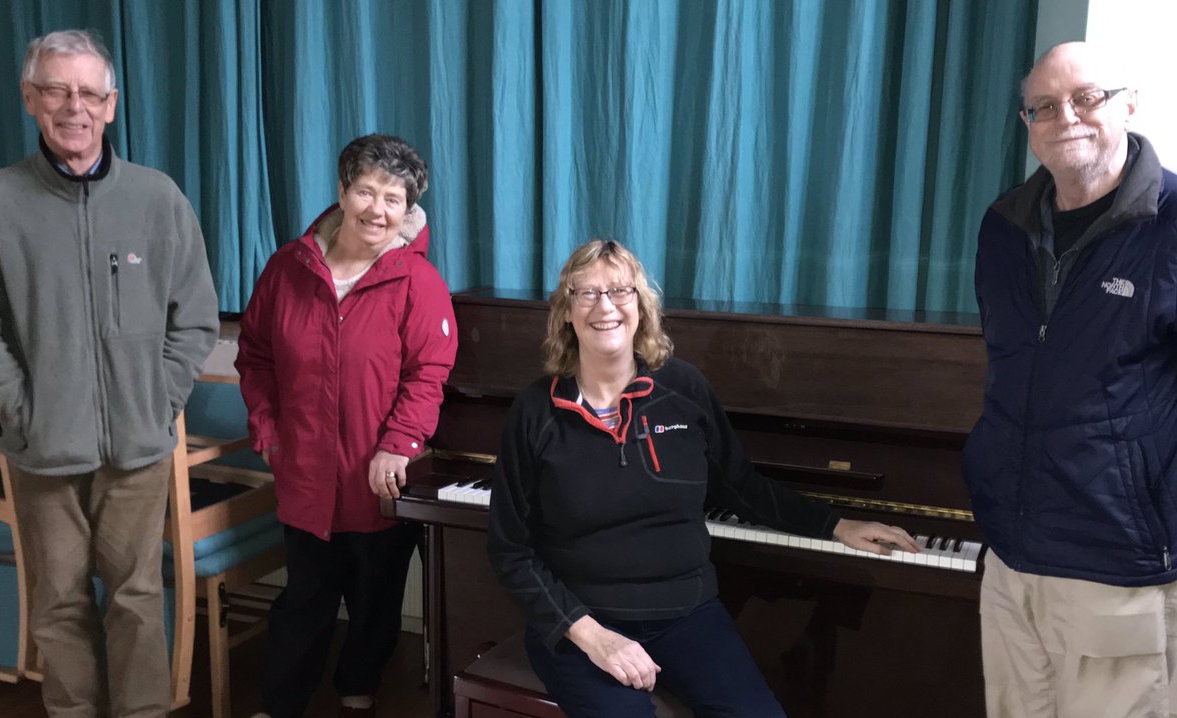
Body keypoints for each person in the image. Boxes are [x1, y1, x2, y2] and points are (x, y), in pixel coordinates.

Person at [486, 239, 919, 717]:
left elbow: (741, 486)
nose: (604, 306)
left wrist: (834, 526)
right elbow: (512, 550)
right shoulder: (534, 412)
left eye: (619, 291)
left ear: (641, 305)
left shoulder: (684, 389)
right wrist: (592, 636)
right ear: (566, 311)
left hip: (687, 616)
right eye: (585, 293)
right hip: (583, 624)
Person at [0, 29, 219, 717]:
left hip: (138, 450)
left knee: (139, 598)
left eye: (89, 92)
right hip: (41, 450)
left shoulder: (157, 198)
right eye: (56, 89)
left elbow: (195, 316)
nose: (73, 106)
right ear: (30, 98)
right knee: (57, 604)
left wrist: (158, 398)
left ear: (111, 105)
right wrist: (19, 407)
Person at [964, 42, 1177, 718]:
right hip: (1011, 557)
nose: (1068, 117)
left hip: (1115, 561)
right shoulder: (1002, 226)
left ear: (1129, 103)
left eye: (1087, 98)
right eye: (1045, 106)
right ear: (1028, 124)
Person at [236, 133, 457, 718]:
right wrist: (268, 432)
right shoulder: (287, 267)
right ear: (342, 191)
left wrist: (398, 446)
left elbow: (428, 374)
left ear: (409, 210)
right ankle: (281, 704)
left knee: (375, 596)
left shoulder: (420, 282)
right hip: (303, 471)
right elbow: (255, 356)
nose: (377, 210)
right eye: (366, 191)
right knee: (303, 600)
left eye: (394, 198)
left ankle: (358, 683)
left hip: (380, 476)